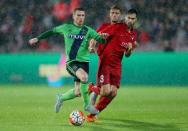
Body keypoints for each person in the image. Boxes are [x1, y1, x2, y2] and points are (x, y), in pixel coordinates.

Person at [29, 7, 107, 115]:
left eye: (82, 15)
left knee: (77, 92)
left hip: (85, 63)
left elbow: (101, 40)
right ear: (73, 16)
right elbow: (52, 31)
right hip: (72, 62)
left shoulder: (88, 30)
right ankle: (87, 105)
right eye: (78, 15)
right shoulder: (66, 27)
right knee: (84, 77)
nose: (80, 18)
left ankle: (61, 98)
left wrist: (103, 37)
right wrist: (38, 38)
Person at [87, 7, 138, 122]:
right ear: (125, 17)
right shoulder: (117, 26)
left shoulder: (133, 35)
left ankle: (93, 114)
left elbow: (127, 55)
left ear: (136, 20)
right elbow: (96, 36)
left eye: (133, 18)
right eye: (129, 18)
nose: (130, 20)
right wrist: (92, 46)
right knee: (105, 92)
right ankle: (92, 87)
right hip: (106, 63)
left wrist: (129, 50)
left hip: (117, 66)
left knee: (113, 93)